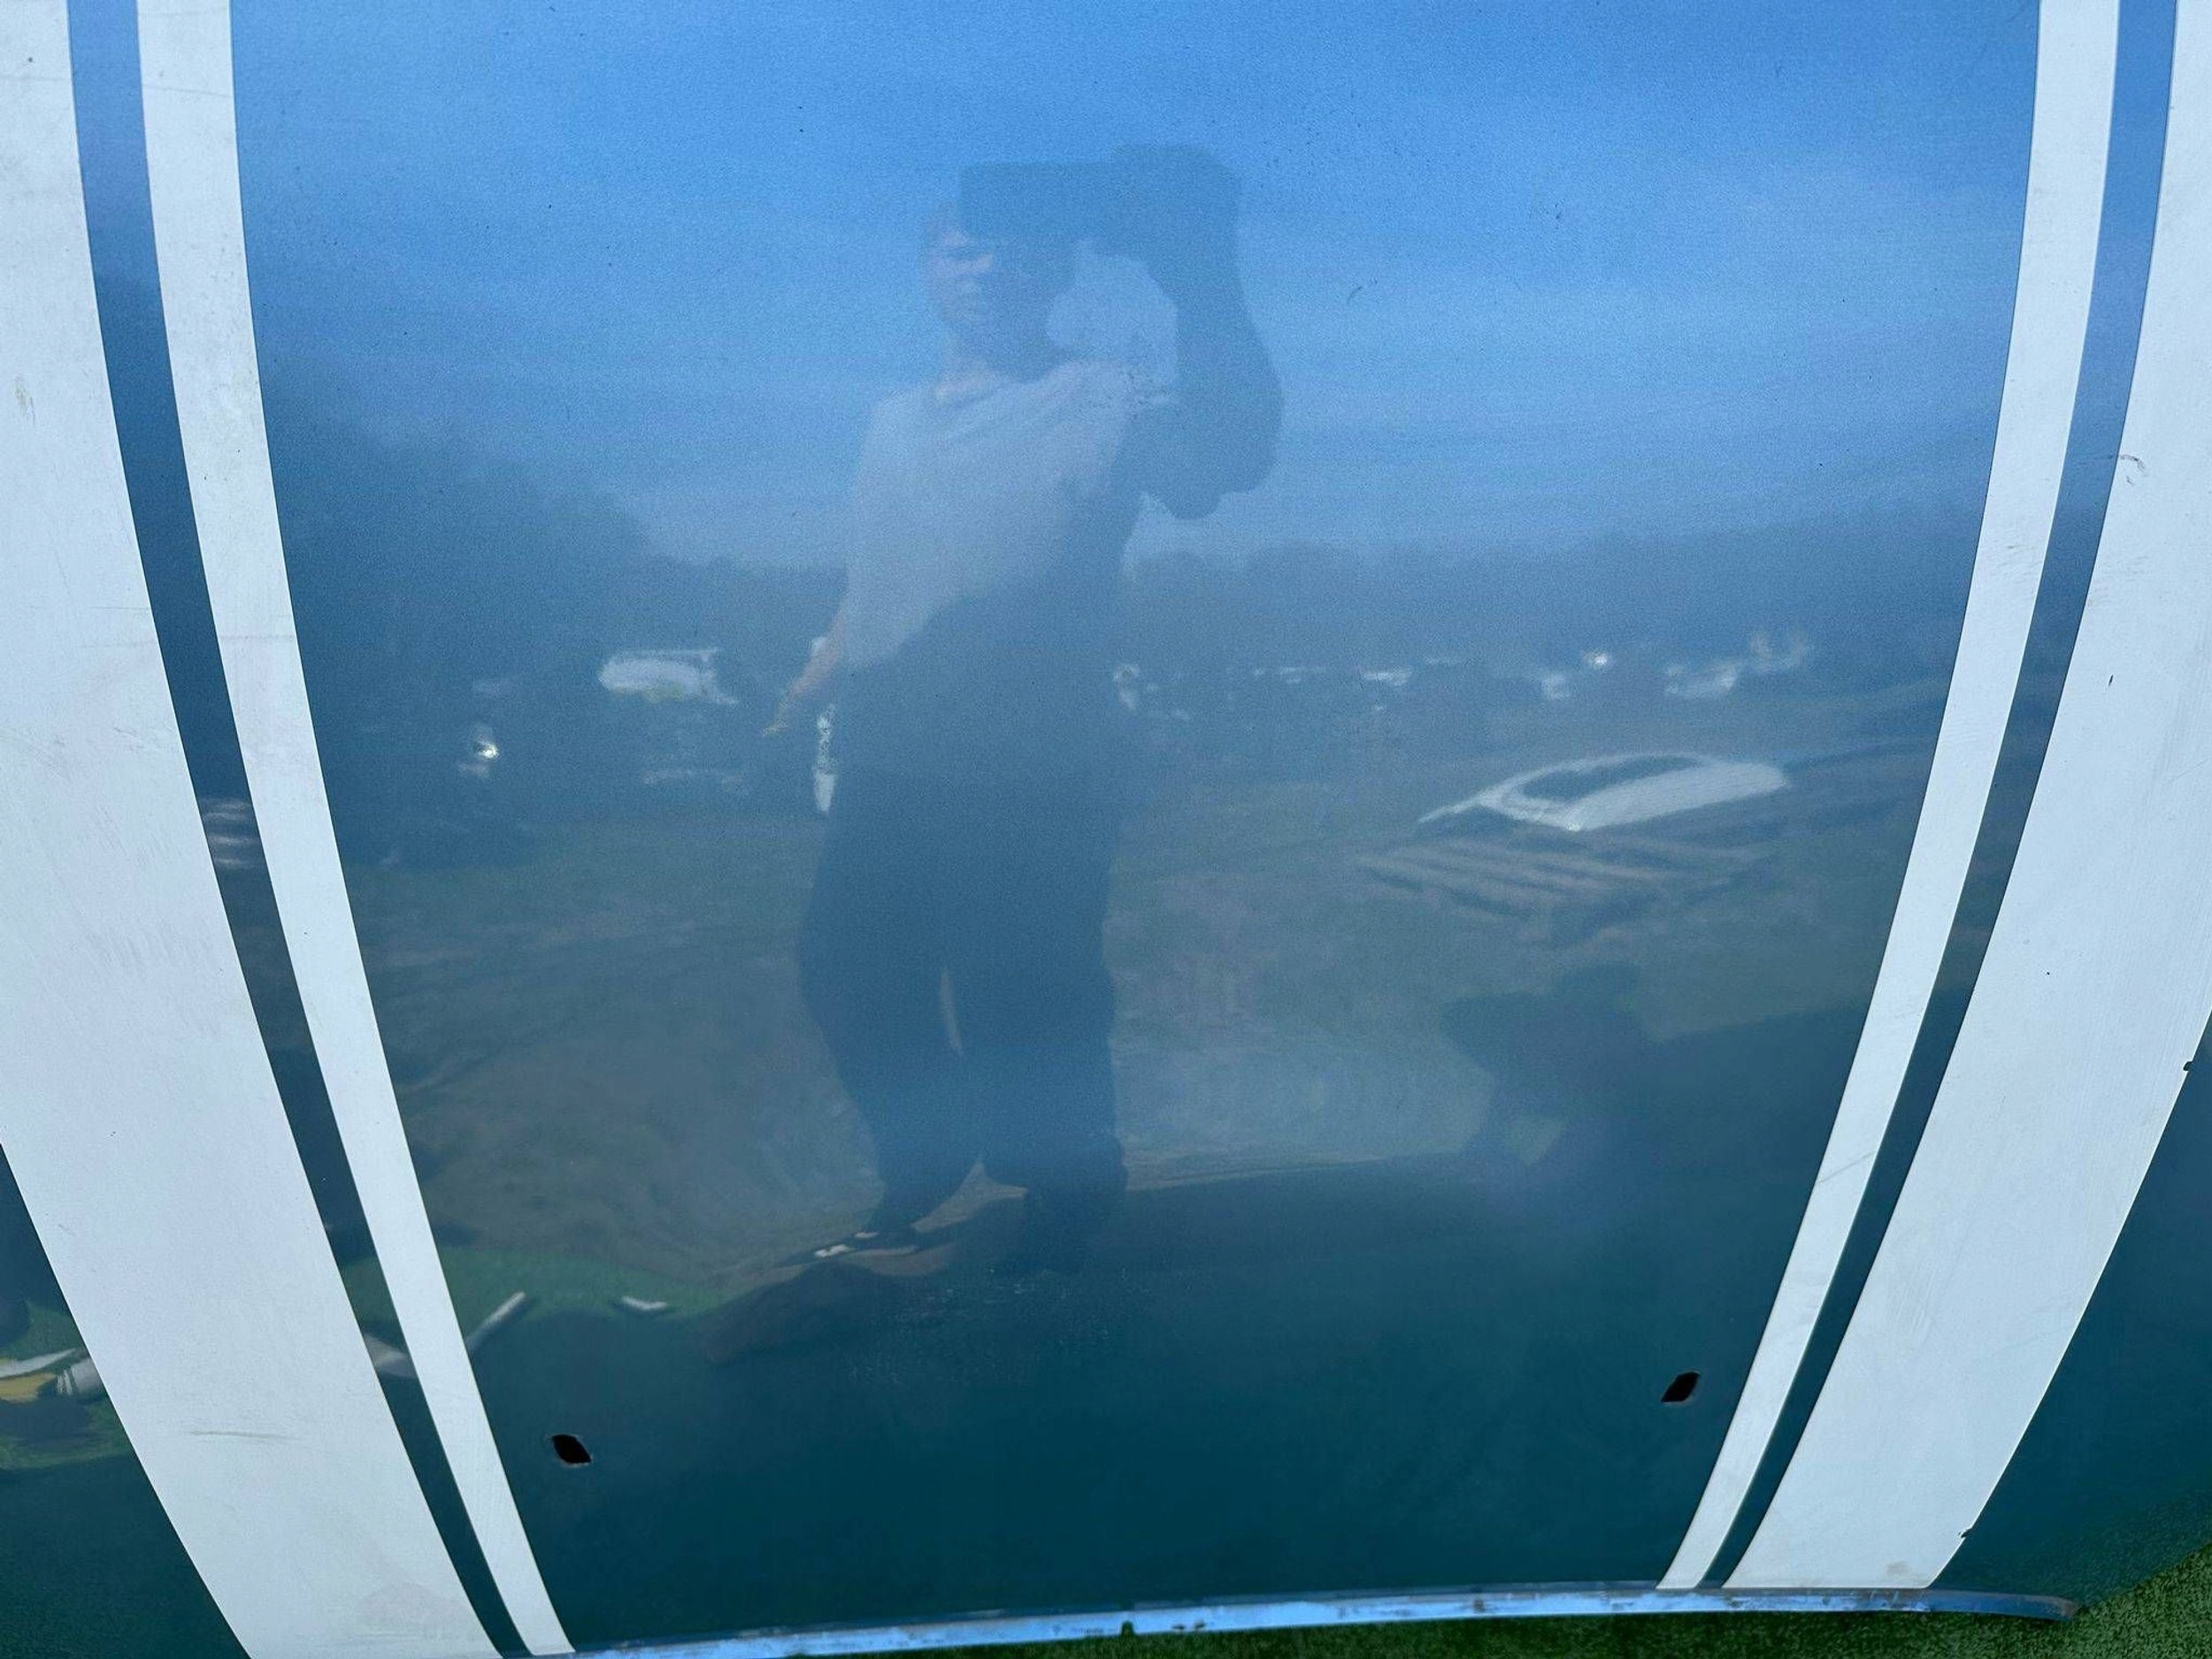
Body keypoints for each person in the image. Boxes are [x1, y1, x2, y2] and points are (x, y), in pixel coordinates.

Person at [769, 147, 1279, 1273]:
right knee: (847, 973)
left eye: (1017, 254)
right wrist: (814, 676)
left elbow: (1231, 459)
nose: (988, 270)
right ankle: (926, 1156)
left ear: (1056, 274)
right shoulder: (887, 421)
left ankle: (1066, 1197)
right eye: (963, 250)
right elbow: (877, 570)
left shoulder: (1102, 394)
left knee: (1027, 996)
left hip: (1037, 775)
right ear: (927, 270)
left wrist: (1204, 280)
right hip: (888, 764)